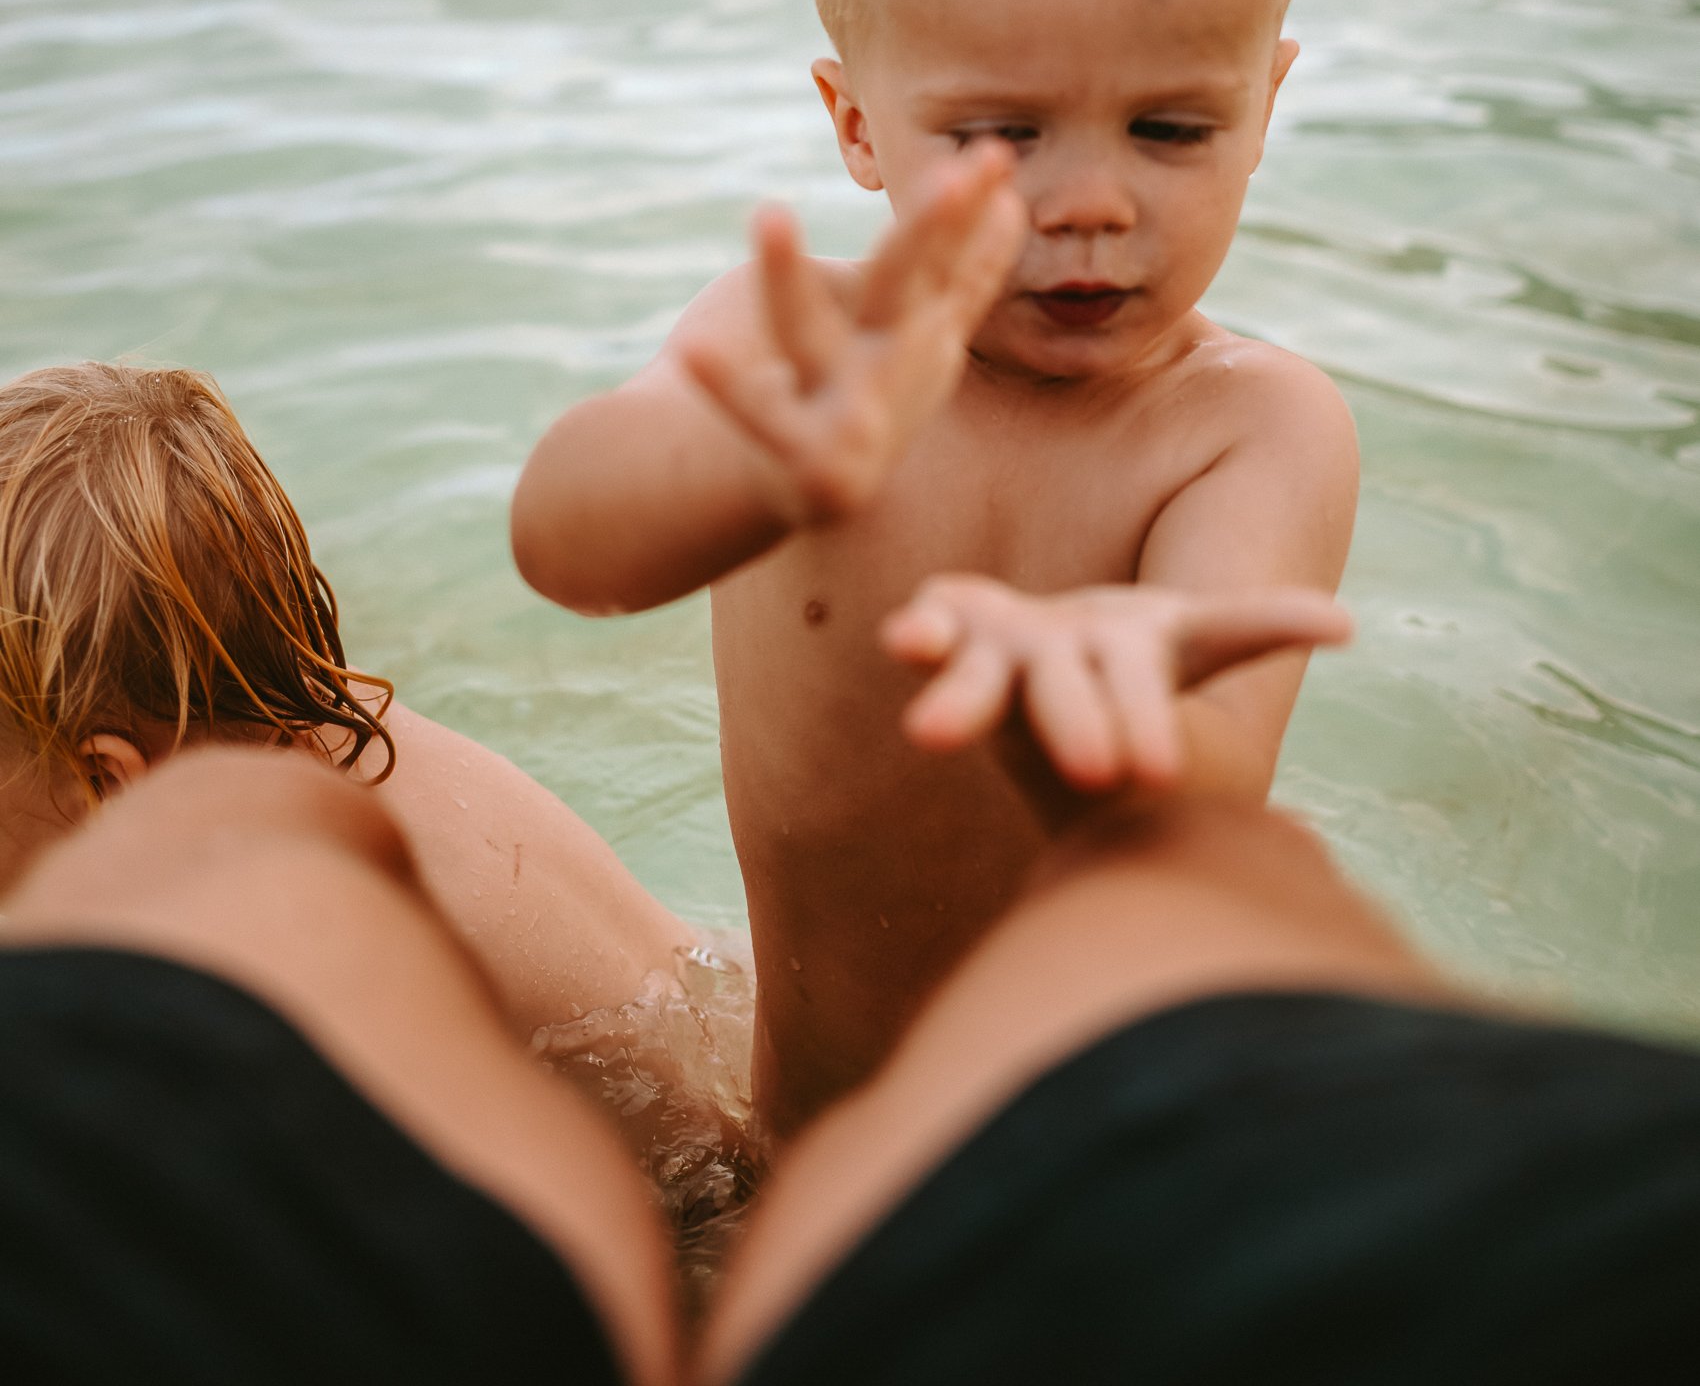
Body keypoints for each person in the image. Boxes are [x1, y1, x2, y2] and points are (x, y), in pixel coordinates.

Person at [5, 577, 1699, 1384]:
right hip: (1489, 1261)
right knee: (1196, 903)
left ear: (99, 763)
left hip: (690, 1152)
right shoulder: (357, 755)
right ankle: (1161, 867)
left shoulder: (217, 821)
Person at [511, 0, 1361, 1133]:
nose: (1089, 201)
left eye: (1171, 128)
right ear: (857, 127)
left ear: (1265, 105)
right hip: (798, 1141)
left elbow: (1206, 801)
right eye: (998, 134)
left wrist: (1096, 715)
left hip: (1070, 1188)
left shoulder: (1249, 433)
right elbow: (566, 549)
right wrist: (743, 463)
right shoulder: (795, 357)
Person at [0, 361, 746, 1158]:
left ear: (105, 779)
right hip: (722, 1018)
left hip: (701, 1206)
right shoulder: (323, 721)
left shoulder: (296, 936)